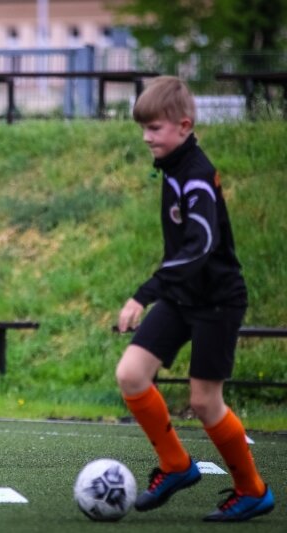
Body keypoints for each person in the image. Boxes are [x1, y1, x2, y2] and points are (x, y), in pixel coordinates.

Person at [115, 76, 274, 522]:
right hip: (183, 295)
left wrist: (144, 295)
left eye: (155, 128)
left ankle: (252, 490)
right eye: (143, 128)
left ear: (184, 126)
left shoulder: (197, 177)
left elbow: (200, 246)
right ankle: (176, 465)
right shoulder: (172, 168)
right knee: (131, 375)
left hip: (217, 300)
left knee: (205, 402)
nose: (147, 137)